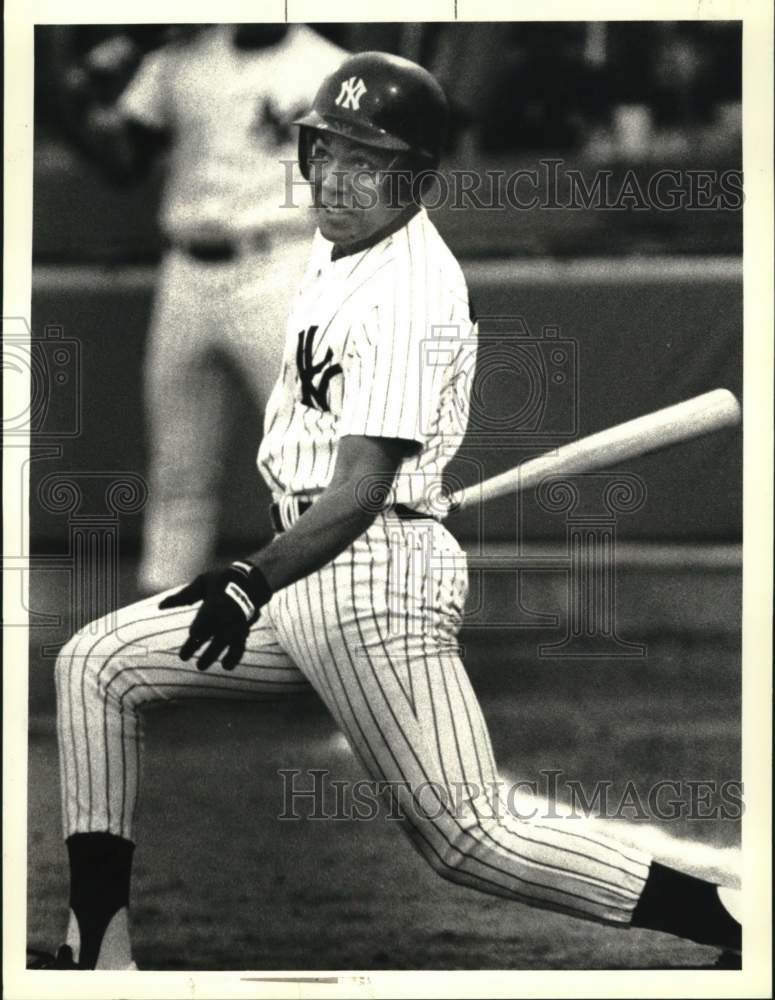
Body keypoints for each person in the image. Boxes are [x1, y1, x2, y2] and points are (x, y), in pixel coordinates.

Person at [29, 52, 741, 971]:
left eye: (366, 161)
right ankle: (99, 950)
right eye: (324, 152)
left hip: (370, 580)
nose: (334, 178)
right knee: (97, 666)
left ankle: (732, 925)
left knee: (469, 838)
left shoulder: (413, 289)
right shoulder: (338, 245)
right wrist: (267, 581)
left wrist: (248, 577)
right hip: (315, 573)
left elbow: (360, 486)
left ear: (416, 177)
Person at [57, 24, 346, 594]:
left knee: (312, 463)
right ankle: (160, 637)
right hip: (186, 272)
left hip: (280, 263)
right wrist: (62, 94)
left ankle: (335, 625)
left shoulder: (331, 68)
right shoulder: (178, 59)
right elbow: (122, 161)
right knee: (178, 474)